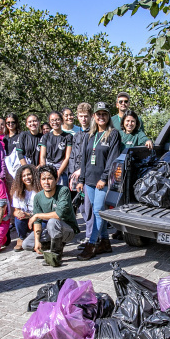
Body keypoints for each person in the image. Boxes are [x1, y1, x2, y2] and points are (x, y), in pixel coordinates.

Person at [76, 103, 122, 260]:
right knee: (96, 211)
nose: (101, 116)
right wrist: (81, 179)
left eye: (104, 114)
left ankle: (92, 244)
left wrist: (104, 178)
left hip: (102, 181)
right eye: (98, 114)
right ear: (94, 116)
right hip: (88, 180)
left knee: (97, 211)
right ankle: (105, 243)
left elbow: (113, 159)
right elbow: (84, 159)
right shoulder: (90, 134)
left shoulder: (113, 134)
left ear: (108, 116)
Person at [26, 165, 79, 267]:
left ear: (56, 179)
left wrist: (37, 215)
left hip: (68, 230)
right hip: (51, 230)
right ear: (40, 181)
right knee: (27, 244)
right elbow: (37, 222)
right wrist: (37, 241)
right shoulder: (38, 197)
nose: (46, 182)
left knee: (52, 221)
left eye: (50, 178)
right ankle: (57, 245)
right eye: (43, 179)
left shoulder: (63, 191)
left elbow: (58, 215)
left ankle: (55, 256)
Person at [68, 103, 94, 246]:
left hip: (88, 177)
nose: (83, 119)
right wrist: (72, 175)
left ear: (91, 117)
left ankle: (91, 238)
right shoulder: (77, 135)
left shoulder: (94, 134)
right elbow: (73, 156)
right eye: (81, 116)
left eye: (86, 116)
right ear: (77, 117)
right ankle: (89, 235)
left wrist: (82, 171)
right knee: (82, 207)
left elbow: (92, 157)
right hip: (76, 178)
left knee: (89, 208)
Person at [38, 111, 72, 187]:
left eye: (57, 120)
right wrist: (45, 171)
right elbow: (42, 157)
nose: (55, 122)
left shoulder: (68, 136)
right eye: (52, 120)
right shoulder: (46, 137)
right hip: (47, 169)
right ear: (49, 122)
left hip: (61, 171)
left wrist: (58, 173)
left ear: (62, 121)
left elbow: (67, 157)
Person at [9, 164, 38, 252]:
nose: (27, 177)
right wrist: (18, 213)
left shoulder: (39, 190)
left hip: (38, 219)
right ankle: (21, 238)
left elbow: (44, 211)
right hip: (25, 219)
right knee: (18, 218)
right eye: (23, 176)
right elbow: (15, 210)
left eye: (29, 174)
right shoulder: (18, 191)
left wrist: (29, 215)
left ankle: (34, 239)